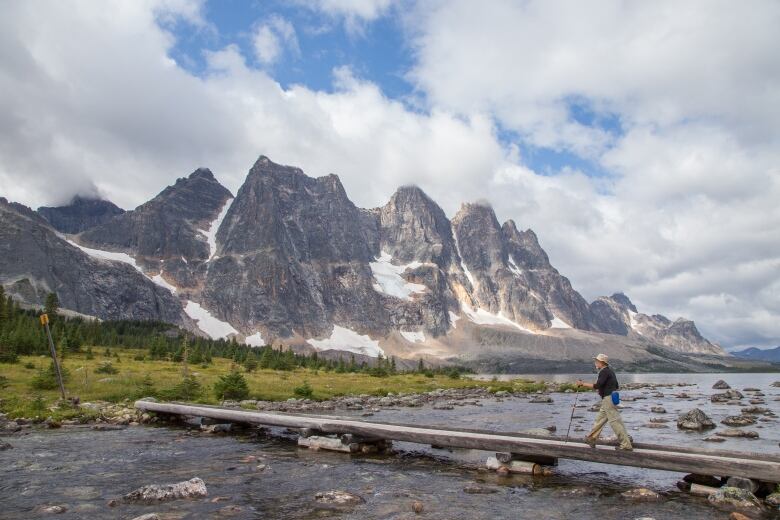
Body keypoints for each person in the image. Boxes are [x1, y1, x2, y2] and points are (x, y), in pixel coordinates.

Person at [576, 353, 633, 451]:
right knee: (600, 420)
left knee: (615, 422)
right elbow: (615, 385)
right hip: (610, 398)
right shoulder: (610, 371)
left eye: (597, 361)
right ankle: (591, 439)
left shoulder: (604, 372)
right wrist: (603, 390)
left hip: (608, 399)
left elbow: (597, 385)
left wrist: (582, 384)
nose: (595, 362)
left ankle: (626, 445)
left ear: (602, 363)